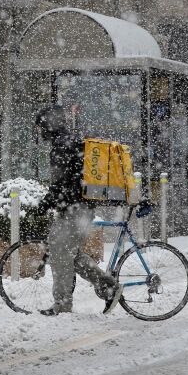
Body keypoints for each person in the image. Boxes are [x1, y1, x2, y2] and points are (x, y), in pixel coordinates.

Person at [35, 104, 123, 316]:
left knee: (60, 252)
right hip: (78, 209)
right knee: (67, 253)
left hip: (76, 210)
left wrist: (46, 203)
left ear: (49, 124)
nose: (40, 131)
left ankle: (62, 305)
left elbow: (61, 183)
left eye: (40, 126)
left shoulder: (63, 145)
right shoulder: (70, 141)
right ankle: (107, 286)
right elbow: (67, 181)